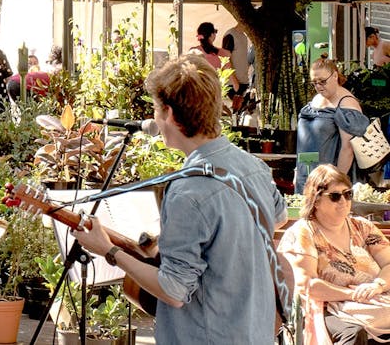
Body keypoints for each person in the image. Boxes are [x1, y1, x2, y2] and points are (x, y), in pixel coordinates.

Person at [71, 54, 287, 344]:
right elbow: (278, 218)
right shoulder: (253, 167)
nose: (154, 119)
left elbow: (174, 291)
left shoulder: (188, 192)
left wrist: (109, 250)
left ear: (170, 114)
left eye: (155, 110)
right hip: (254, 333)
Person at [278, 164, 390, 344]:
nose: (343, 201)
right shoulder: (304, 232)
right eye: (335, 196)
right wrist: (353, 294)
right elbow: (308, 286)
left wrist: (377, 285)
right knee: (354, 332)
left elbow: (389, 263)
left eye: (348, 194)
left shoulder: (363, 226)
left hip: (372, 301)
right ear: (316, 200)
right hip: (324, 308)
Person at [296, 57, 370, 193]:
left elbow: (348, 149)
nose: (318, 86)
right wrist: (298, 171)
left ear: (335, 76)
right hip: (307, 173)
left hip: (329, 180)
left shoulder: (347, 103)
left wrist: (336, 184)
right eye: (314, 83)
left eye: (322, 81)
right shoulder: (317, 98)